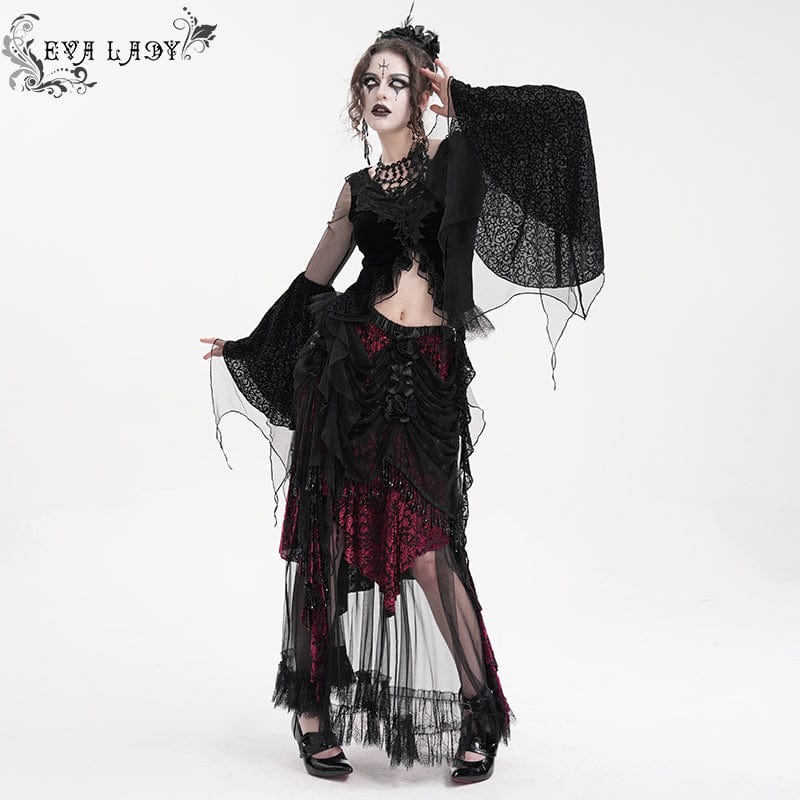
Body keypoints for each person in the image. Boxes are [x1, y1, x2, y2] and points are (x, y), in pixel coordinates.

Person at [200, 5, 604, 784]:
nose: (381, 91)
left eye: (397, 81)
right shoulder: (356, 190)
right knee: (330, 538)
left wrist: (466, 98)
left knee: (427, 548)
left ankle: (480, 710)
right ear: (359, 100)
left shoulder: (458, 160)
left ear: (421, 93)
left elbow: (563, 117)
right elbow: (312, 283)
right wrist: (250, 346)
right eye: (371, 82)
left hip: (427, 377)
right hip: (349, 371)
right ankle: (312, 710)